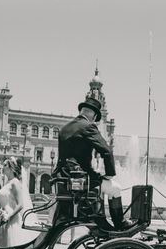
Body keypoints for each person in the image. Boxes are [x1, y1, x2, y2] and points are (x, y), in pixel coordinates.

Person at [53, 96, 133, 230]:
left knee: (104, 185)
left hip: (63, 177)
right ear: (94, 114)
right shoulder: (88, 126)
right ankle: (120, 224)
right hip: (80, 179)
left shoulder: (64, 128)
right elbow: (106, 151)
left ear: (82, 111)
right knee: (116, 188)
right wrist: (109, 174)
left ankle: (101, 216)